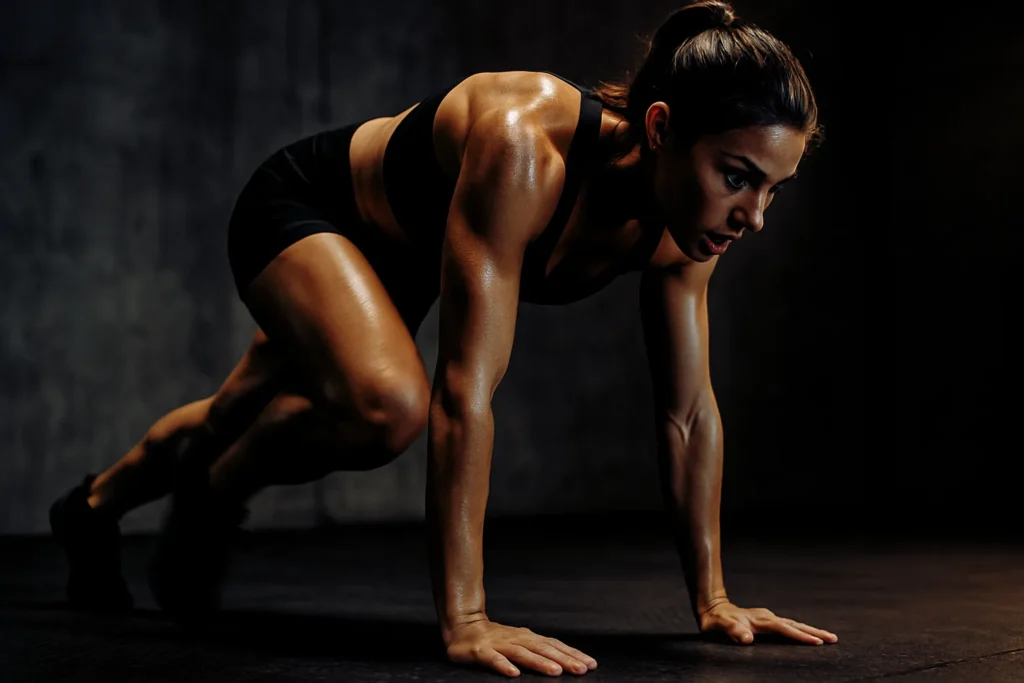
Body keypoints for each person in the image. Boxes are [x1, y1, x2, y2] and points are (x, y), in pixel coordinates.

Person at [48, 1, 838, 677]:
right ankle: (216, 483)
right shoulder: (527, 147)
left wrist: (713, 598)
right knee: (387, 404)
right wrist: (467, 617)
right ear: (662, 127)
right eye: (737, 175)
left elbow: (689, 414)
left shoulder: (683, 230)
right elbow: (466, 387)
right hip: (312, 209)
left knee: (237, 406)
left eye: (773, 187)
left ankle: (94, 507)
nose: (755, 215)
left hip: (419, 248)